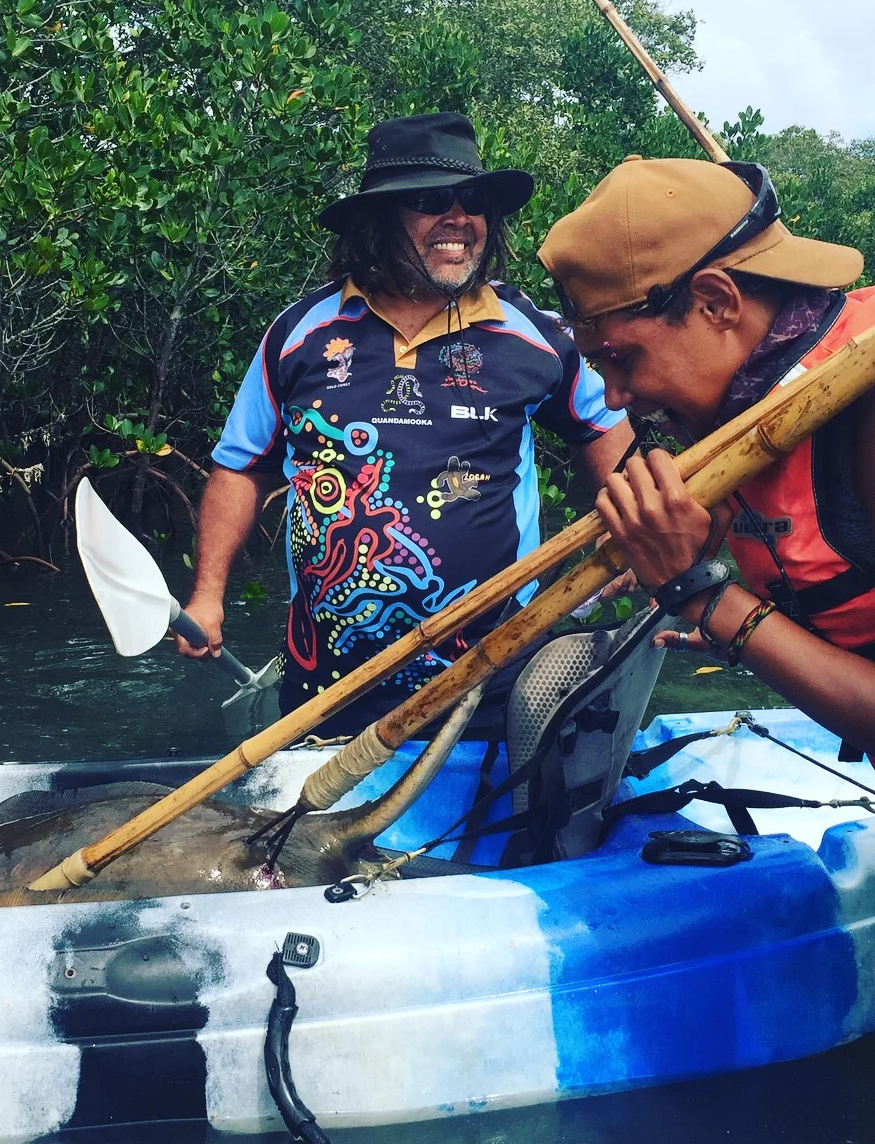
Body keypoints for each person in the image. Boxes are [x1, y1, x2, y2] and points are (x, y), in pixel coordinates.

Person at [178, 112, 631, 738]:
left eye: (472, 200)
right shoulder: (299, 333)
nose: (458, 217)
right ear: (379, 218)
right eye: (429, 200)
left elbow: (603, 423)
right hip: (328, 681)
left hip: (491, 674)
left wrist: (633, 524)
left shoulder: (537, 334)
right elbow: (242, 465)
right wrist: (207, 596)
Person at [538, 154, 875, 752]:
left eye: (623, 358)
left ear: (717, 303)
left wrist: (701, 593)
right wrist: (768, 636)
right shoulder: (750, 418)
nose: (615, 396)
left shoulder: (862, 406)